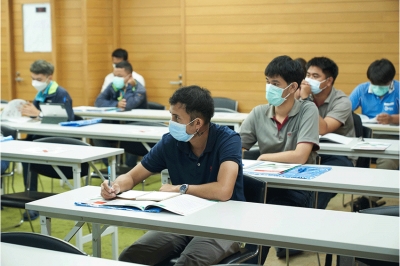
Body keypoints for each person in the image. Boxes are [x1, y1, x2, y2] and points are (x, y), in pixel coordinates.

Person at [101, 85, 245, 265]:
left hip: (225, 224)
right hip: (183, 219)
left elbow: (224, 190)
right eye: (171, 115)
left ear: (197, 123)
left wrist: (179, 189)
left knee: (188, 262)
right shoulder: (171, 142)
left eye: (177, 118)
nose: (171, 122)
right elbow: (131, 177)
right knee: (131, 257)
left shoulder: (228, 140)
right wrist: (116, 186)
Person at [240, 55, 320, 262]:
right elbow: (235, 149)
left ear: (293, 87)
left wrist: (264, 156)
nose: (270, 88)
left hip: (297, 186)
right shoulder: (259, 113)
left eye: (276, 84)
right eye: (268, 82)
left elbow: (301, 156)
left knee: (265, 215)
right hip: (265, 183)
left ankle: (251, 260)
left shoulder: (307, 110)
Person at [297, 56, 356, 210]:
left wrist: (306, 100)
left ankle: (310, 217)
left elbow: (323, 129)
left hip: (339, 155)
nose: (309, 80)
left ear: (328, 81)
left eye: (315, 76)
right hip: (309, 150)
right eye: (308, 75)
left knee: (319, 186)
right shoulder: (302, 96)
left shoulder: (342, 101)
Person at [20, 59, 74, 221]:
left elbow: (68, 119)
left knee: (29, 156)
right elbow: (37, 115)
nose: (34, 82)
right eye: (32, 78)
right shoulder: (40, 93)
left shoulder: (61, 93)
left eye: (38, 79)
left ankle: (34, 202)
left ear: (49, 78)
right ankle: (30, 198)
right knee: (22, 152)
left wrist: (38, 114)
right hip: (39, 136)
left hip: (57, 140)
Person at [94, 60, 148, 167]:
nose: (116, 78)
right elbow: (98, 101)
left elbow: (127, 105)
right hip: (115, 124)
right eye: (115, 75)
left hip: (135, 126)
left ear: (130, 76)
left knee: (129, 137)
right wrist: (115, 104)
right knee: (96, 135)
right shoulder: (113, 86)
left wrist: (128, 88)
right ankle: (111, 165)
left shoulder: (139, 89)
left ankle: (130, 169)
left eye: (120, 76)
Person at [349, 58, 399, 170]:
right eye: (374, 83)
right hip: (366, 136)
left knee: (388, 162)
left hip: (392, 138)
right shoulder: (362, 89)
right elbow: (344, 110)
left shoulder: (398, 89)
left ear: (391, 80)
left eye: (382, 84)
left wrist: (392, 119)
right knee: (350, 157)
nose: (378, 87)